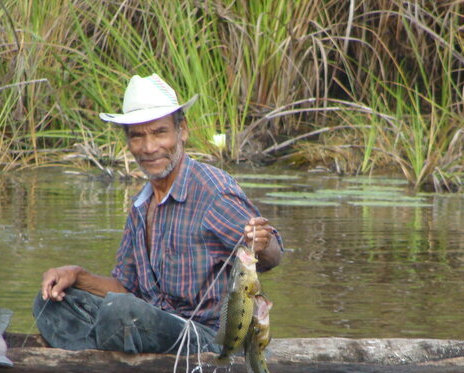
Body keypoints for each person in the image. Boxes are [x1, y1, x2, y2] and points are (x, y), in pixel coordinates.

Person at [33, 74, 283, 354]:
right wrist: (76, 275)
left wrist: (262, 242)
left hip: (207, 337)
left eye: (159, 132)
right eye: (138, 136)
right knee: (51, 303)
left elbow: (272, 256)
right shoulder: (142, 204)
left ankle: (102, 351)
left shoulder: (213, 192)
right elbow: (126, 288)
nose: (149, 148)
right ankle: (102, 357)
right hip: (152, 323)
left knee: (123, 313)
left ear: (182, 131)